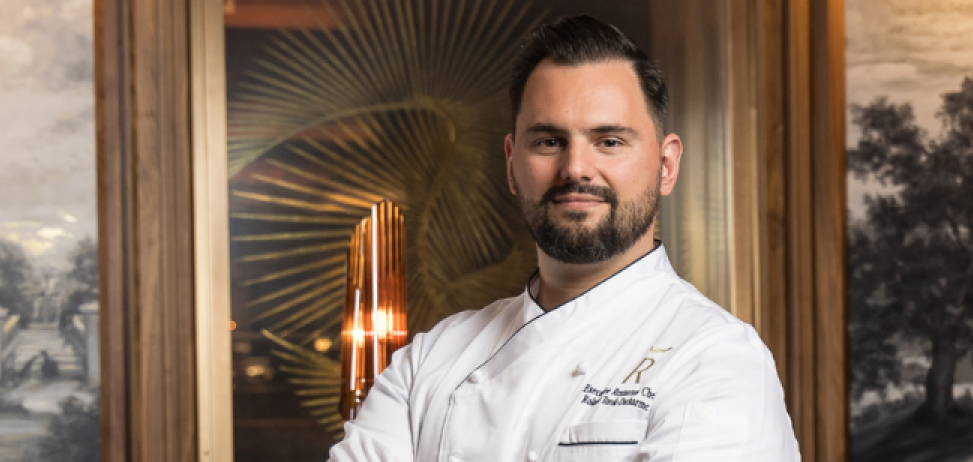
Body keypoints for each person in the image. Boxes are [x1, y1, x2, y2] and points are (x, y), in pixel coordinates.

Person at [328, 15, 799, 462]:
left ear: (666, 165)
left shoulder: (715, 358)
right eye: (548, 142)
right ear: (512, 164)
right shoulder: (429, 361)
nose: (575, 168)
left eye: (609, 141)